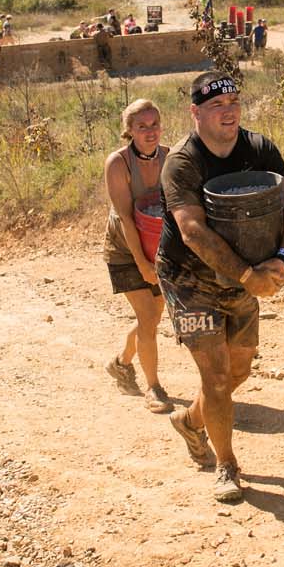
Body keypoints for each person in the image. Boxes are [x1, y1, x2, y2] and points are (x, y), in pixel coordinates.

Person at [156, 72, 284, 503]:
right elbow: (192, 232)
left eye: (235, 103)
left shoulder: (259, 149)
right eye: (218, 106)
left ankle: (190, 420)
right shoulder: (182, 163)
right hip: (190, 277)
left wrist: (283, 259)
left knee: (239, 370)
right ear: (196, 113)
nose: (229, 112)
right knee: (217, 377)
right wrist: (249, 277)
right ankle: (227, 466)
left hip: (246, 272)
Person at [104, 99, 175, 414]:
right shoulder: (117, 163)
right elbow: (125, 217)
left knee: (153, 317)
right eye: (142, 126)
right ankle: (154, 387)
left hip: (158, 248)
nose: (150, 132)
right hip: (124, 249)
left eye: (154, 124)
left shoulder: (170, 157)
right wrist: (143, 265)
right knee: (148, 317)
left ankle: (121, 363)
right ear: (129, 130)